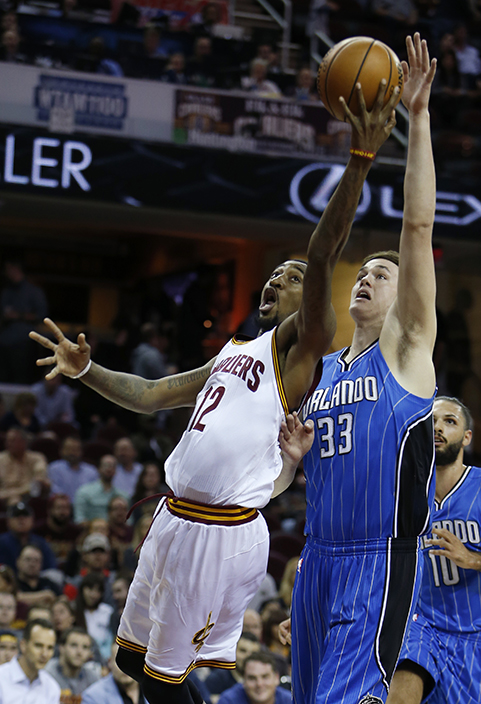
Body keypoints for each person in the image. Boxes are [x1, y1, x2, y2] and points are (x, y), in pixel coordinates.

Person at [30, 76, 399, 704]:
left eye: (288, 280)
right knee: (136, 665)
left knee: (164, 679)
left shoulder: (302, 345)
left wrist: (360, 162)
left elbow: (323, 243)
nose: (274, 283)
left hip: (220, 530)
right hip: (173, 518)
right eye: (274, 277)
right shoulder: (231, 354)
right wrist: (86, 370)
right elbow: (148, 394)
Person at [280, 34, 438, 704]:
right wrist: (289, 460)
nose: (368, 278)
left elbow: (417, 228)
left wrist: (418, 119)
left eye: (383, 274)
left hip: (378, 563)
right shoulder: (322, 374)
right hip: (315, 564)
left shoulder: (405, 354)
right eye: (364, 271)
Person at [386, 396, 481, 704]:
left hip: (473, 633)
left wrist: (472, 558)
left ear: (467, 437)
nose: (438, 428)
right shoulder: (400, 491)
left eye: (450, 421)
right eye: (432, 422)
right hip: (420, 626)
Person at [0, 258, 48, 383]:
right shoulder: (6, 292)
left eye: (9, 269)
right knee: (4, 380)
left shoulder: (33, 292)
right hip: (4, 343)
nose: (7, 272)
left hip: (23, 343)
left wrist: (18, 315)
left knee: (21, 380)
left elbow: (42, 316)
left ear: (16, 268)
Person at [0, 618, 60, 703]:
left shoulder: (51, 687)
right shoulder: (1, 679)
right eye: (38, 646)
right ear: (23, 645)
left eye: (50, 648)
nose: (45, 654)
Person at [44, 626, 100, 702]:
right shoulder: (47, 674)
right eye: (74, 645)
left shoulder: (93, 679)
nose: (79, 652)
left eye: (85, 647)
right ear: (61, 647)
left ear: (90, 653)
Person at [0, 501, 57, 571]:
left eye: (25, 515)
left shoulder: (41, 544)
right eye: (16, 515)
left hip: (36, 580)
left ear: (32, 520)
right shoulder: (1, 543)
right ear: (8, 521)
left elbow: (51, 569)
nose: (21, 519)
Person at [205, 632, 261, 701]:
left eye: (253, 653)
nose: (248, 657)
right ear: (233, 651)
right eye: (243, 651)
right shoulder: (215, 679)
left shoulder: (262, 682)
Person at [217, 651, 290, 704]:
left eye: (265, 677)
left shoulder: (290, 701)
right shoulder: (229, 701)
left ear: (276, 678)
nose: (259, 684)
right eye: (252, 678)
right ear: (243, 681)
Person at [73, 455, 128, 525]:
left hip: (117, 533)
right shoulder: (84, 492)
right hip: (92, 532)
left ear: (116, 471)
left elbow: (128, 522)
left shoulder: (123, 496)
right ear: (99, 469)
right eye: (106, 465)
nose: (109, 469)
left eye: (112, 466)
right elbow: (79, 520)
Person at [0, 428, 48, 503]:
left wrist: (14, 493)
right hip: (3, 498)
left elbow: (38, 482)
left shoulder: (37, 458)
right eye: (7, 440)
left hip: (29, 497)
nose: (8, 444)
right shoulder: (1, 459)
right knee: (14, 500)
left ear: (23, 442)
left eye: (12, 440)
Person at [48, 436, 98, 503]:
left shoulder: (91, 471)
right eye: (68, 449)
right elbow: (55, 493)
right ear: (62, 450)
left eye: (75, 450)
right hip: (63, 508)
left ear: (81, 452)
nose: (72, 453)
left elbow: (94, 494)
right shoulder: (54, 468)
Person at [15, 544, 62, 609]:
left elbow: (63, 599)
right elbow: (14, 598)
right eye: (28, 559)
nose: (32, 564)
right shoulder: (12, 582)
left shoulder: (49, 583)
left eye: (36, 560)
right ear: (18, 562)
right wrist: (46, 595)